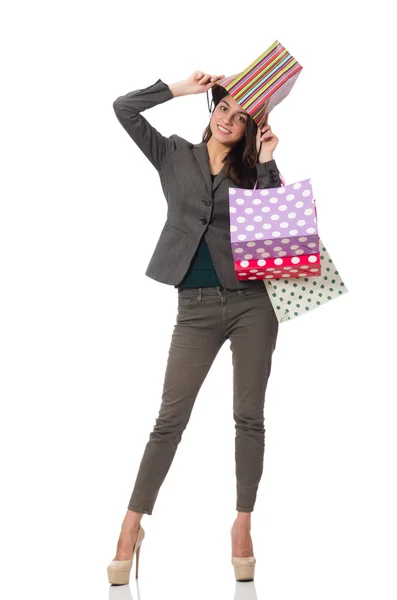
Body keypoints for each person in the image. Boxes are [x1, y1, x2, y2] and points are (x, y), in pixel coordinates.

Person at [108, 70, 282, 584]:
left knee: (248, 416)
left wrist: (269, 163)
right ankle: (130, 526)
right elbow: (123, 108)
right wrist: (180, 88)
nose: (229, 119)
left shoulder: (254, 169)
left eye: (241, 116)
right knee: (169, 419)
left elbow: (278, 232)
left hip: (254, 305)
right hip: (196, 307)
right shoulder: (174, 156)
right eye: (223, 108)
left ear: (251, 126)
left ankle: (243, 525)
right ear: (212, 110)